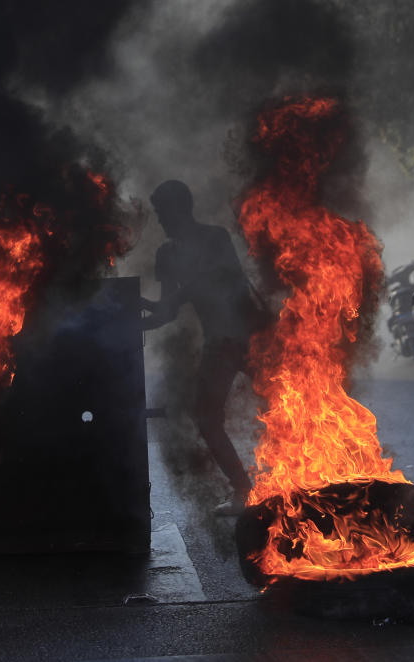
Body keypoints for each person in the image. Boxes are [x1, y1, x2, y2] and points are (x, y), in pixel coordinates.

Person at [142, 180, 262, 516]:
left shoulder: (215, 237)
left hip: (249, 338)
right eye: (158, 213)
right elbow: (167, 311)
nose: (161, 219)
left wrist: (184, 293)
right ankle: (243, 491)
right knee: (207, 420)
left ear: (181, 208)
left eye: (164, 211)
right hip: (219, 343)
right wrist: (134, 318)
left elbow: (229, 280)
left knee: (289, 402)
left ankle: (314, 472)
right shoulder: (167, 254)